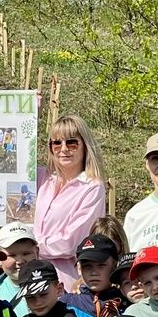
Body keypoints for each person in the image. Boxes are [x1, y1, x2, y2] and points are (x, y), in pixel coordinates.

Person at [34, 115, 108, 291]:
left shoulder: (92, 187)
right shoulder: (39, 178)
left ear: (85, 145)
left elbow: (70, 242)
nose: (64, 149)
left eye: (72, 143)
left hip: (64, 282)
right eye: (57, 143)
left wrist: (30, 246)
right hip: (27, 276)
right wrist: (33, 111)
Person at [61, 234, 125, 317]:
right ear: (79, 269)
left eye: (101, 265)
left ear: (114, 266)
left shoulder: (124, 302)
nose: (94, 273)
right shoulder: (66, 304)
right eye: (87, 266)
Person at [0, 222, 39, 317]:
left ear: (37, 252)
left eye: (26, 253)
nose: (20, 261)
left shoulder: (52, 286)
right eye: (12, 255)